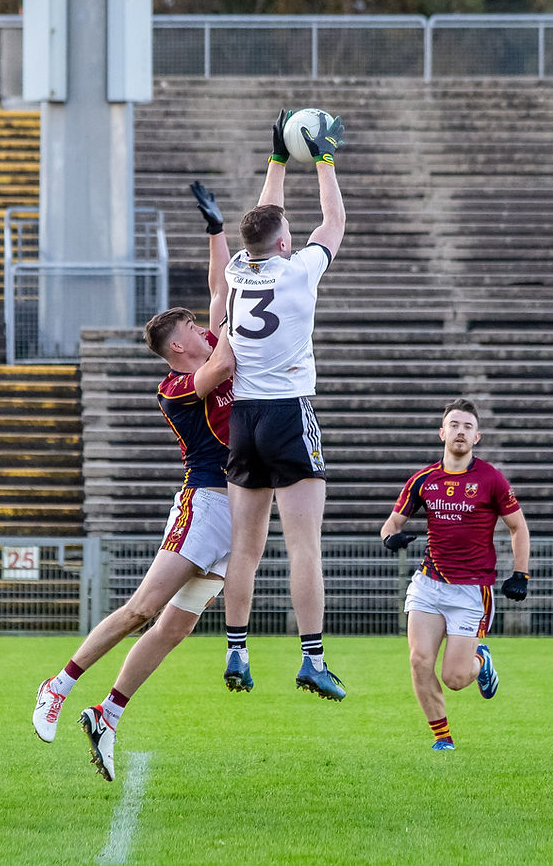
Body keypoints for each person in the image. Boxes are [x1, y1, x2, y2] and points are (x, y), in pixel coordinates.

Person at [32, 180, 236, 781]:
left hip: (238, 513)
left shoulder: (209, 346)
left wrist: (216, 230)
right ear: (179, 345)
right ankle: (59, 683)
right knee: (141, 610)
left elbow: (221, 287)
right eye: (198, 330)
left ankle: (108, 713)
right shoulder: (175, 387)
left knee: (173, 628)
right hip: (205, 506)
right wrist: (241, 324)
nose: (209, 330)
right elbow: (223, 355)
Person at [219, 108, 347, 701]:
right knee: (303, 546)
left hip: (243, 417)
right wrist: (321, 158)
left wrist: (276, 159)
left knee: (245, 546)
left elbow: (262, 220)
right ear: (286, 244)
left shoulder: (241, 271)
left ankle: (237, 652)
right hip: (289, 411)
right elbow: (335, 220)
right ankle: (312, 659)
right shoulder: (297, 273)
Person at [379, 398, 531, 751]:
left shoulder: (491, 479)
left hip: (471, 592)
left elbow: (518, 528)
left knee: (455, 678)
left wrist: (520, 574)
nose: (460, 431)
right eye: (454, 425)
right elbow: (392, 523)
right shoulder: (423, 479)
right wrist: (391, 538)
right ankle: (442, 739)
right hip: (429, 584)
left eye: (467, 427)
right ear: (442, 432)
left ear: (477, 436)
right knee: (419, 660)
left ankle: (481, 660)